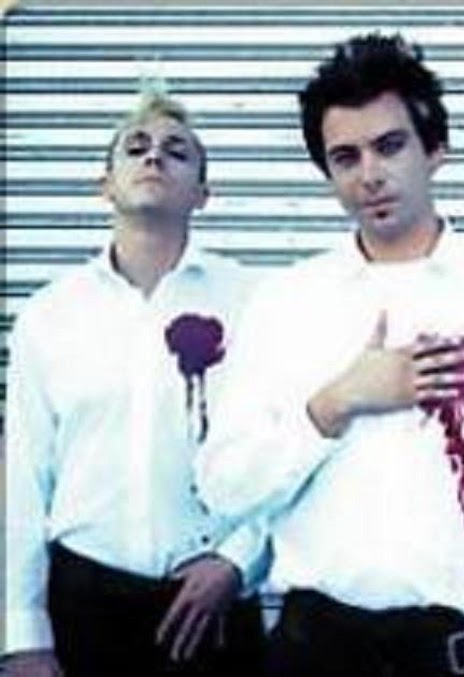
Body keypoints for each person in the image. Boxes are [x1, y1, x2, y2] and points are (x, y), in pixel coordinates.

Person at [193, 32, 464, 677]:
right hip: (317, 651)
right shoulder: (286, 302)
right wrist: (336, 404)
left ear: (435, 149)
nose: (370, 174)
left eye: (390, 146)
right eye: (345, 157)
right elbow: (225, 486)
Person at [3, 83, 268, 676]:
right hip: (85, 606)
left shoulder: (255, 303)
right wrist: (23, 635)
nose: (154, 156)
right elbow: (22, 479)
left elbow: (288, 453)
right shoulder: (50, 315)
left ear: (203, 193)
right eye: (136, 147)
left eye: (177, 150)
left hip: (213, 608)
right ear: (106, 185)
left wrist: (238, 561)